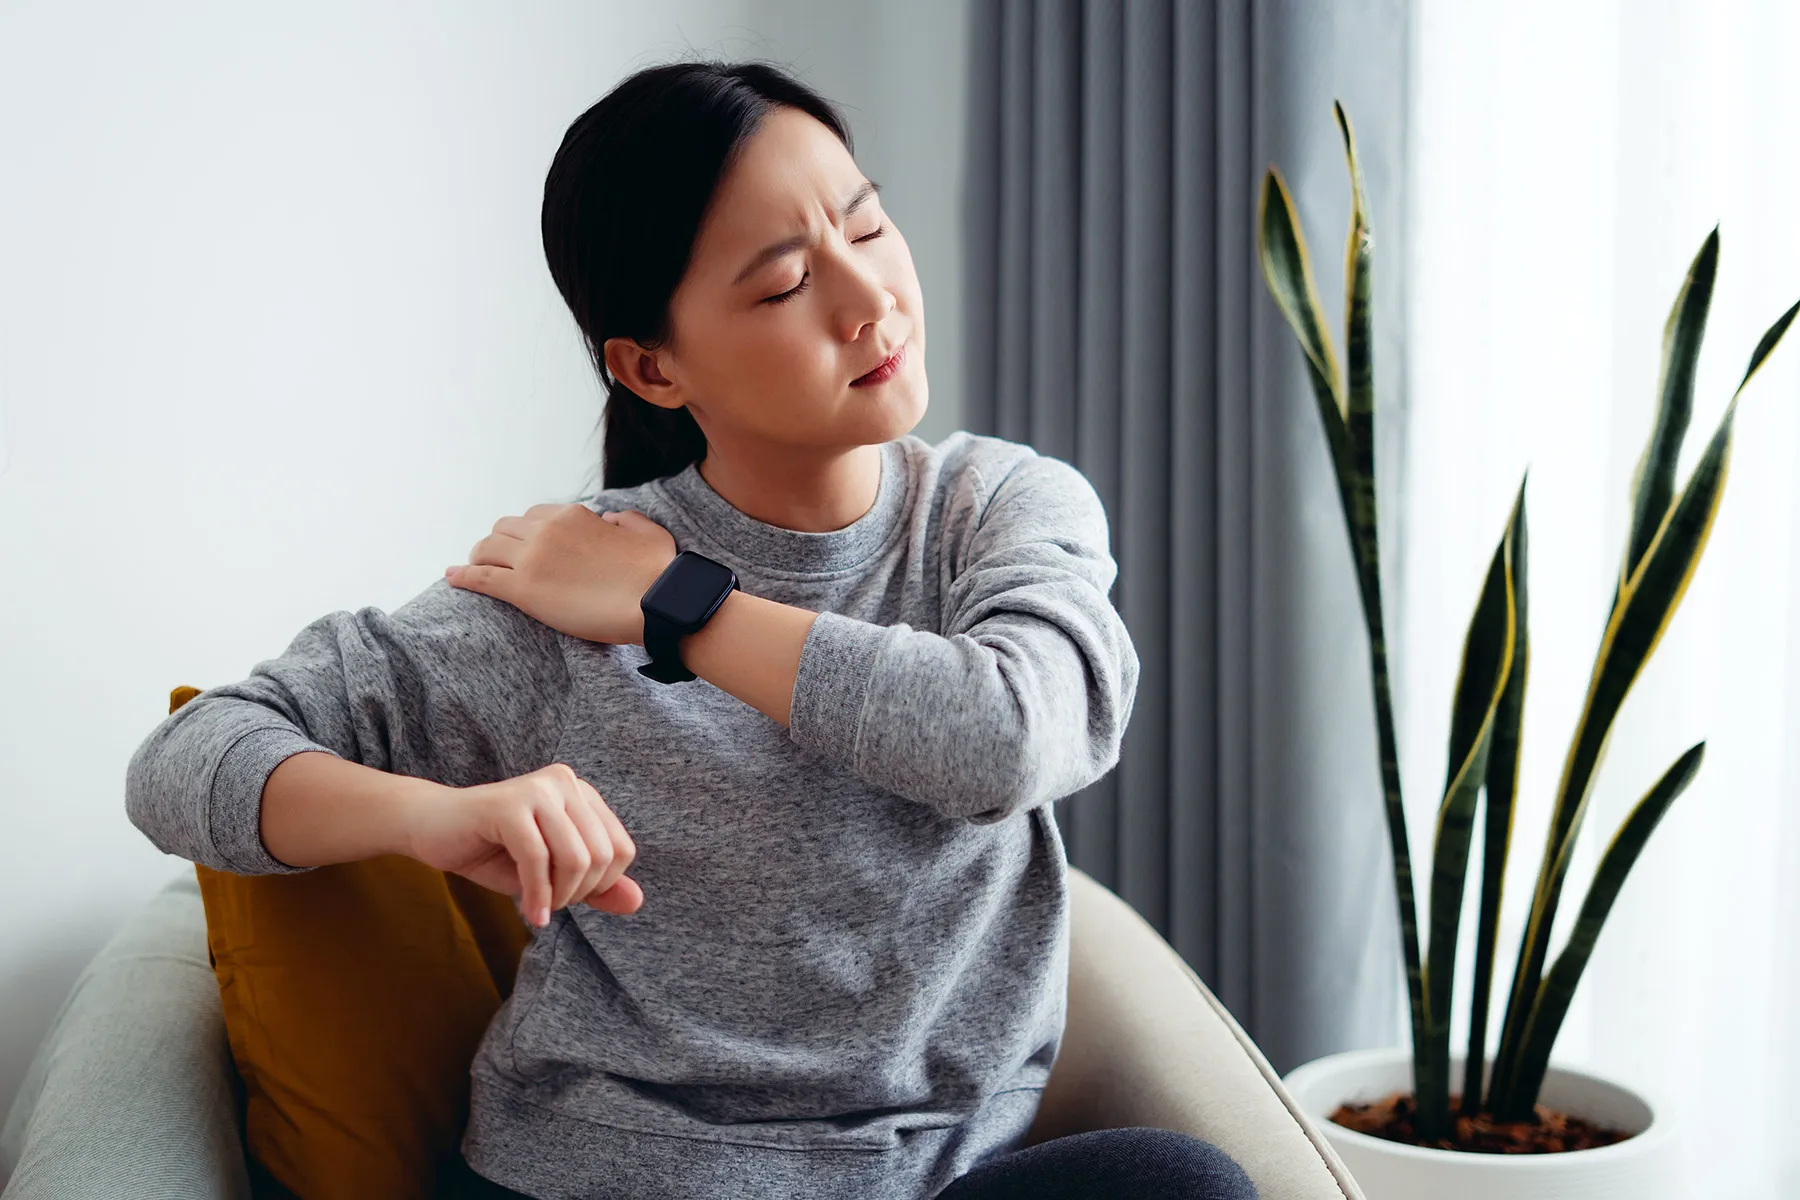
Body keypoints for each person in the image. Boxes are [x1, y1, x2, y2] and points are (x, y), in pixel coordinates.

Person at [125, 56, 1255, 1200]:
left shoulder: (997, 509)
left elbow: (1013, 736)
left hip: (936, 1178)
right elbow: (185, 764)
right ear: (651, 366)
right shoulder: (560, 586)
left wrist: (683, 608)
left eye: (866, 228)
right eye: (782, 286)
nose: (869, 303)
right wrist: (436, 818)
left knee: (1184, 1184)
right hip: (619, 1177)